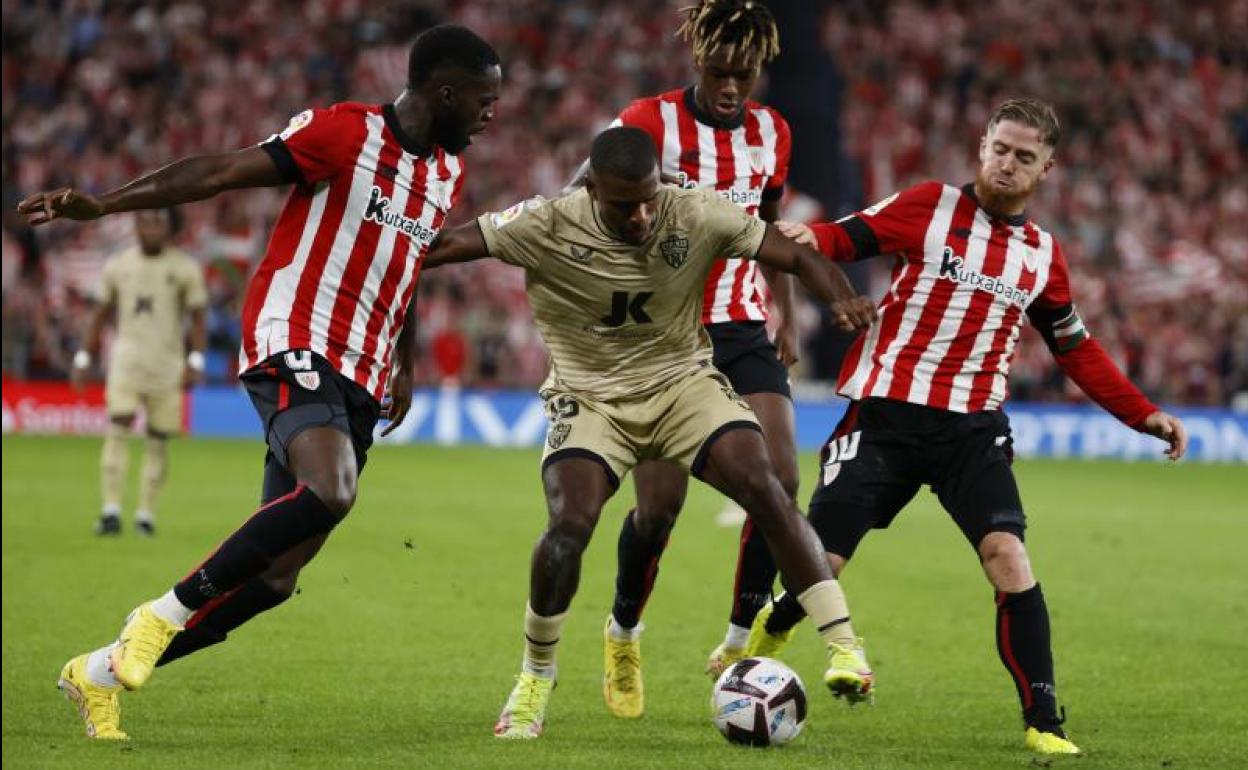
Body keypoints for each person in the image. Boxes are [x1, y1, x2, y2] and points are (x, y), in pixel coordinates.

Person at [18, 24, 502, 740]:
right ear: (446, 91)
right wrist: (109, 204)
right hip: (293, 335)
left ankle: (95, 672)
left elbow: (406, 265)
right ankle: (160, 614)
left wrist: (402, 358)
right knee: (334, 489)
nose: (493, 116)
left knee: (275, 579)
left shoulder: (445, 174)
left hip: (364, 370)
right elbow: (217, 172)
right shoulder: (345, 132)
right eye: (485, 101)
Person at [736, 98, 1190, 756]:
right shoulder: (927, 206)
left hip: (971, 432)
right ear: (982, 147)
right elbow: (845, 238)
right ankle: (776, 622)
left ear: (1046, 169)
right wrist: (806, 241)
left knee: (1008, 558)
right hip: (885, 417)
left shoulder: (1042, 256)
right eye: (1000, 149)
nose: (1008, 164)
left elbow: (1075, 348)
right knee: (823, 561)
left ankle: (1044, 720)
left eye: (1024, 157)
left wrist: (1143, 414)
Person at [424, 125, 878, 740]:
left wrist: (841, 297)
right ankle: (535, 676)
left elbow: (794, 253)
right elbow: (440, 247)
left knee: (766, 484)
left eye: (647, 198)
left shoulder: (692, 209)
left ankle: (844, 646)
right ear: (591, 190)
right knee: (569, 528)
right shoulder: (546, 221)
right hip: (589, 396)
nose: (639, 214)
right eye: (621, 204)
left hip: (682, 383)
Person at [568, 0, 804, 714]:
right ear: (695, 58)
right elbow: (582, 192)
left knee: (781, 482)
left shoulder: (773, 132)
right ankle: (623, 630)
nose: (732, 87)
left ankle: (740, 641)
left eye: (745, 73)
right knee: (659, 510)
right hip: (660, 333)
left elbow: (763, 226)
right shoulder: (646, 121)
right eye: (719, 71)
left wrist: (783, 308)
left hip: (739, 323)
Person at [72, 208, 207, 537]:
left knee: (158, 441)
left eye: (158, 222)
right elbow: (101, 315)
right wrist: (83, 358)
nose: (151, 228)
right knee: (117, 427)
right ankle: (111, 510)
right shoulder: (119, 266)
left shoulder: (185, 268)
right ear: (135, 226)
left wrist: (196, 361)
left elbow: (198, 317)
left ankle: (146, 514)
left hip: (167, 366)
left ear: (169, 227)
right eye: (145, 222)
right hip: (126, 362)